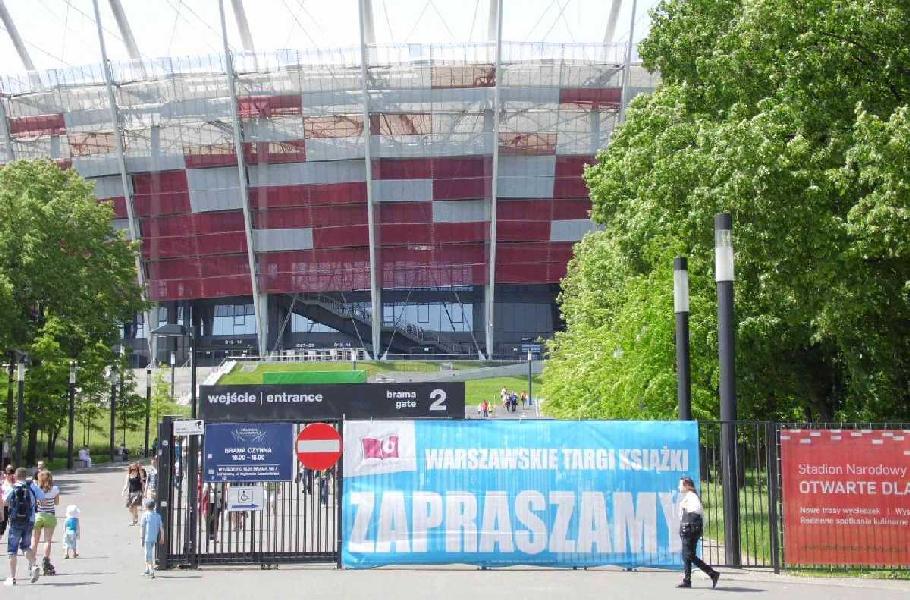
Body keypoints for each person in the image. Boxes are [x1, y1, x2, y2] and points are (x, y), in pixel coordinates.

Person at [4, 467, 45, 586]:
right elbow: (42, 497)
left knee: (12, 550)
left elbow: (5, 501)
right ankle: (34, 565)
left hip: (16, 521)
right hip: (29, 520)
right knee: (26, 546)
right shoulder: (31, 486)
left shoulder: (14, 487)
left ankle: (12, 578)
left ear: (15, 476)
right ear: (26, 476)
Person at [677, 476, 719, 589]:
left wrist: (689, 525)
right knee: (686, 556)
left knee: (689, 555)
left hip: (690, 530)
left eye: (681, 484)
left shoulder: (692, 497)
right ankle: (687, 580)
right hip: (688, 529)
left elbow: (695, 514)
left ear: (686, 485)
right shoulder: (690, 497)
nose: (679, 487)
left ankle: (712, 573)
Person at [32, 470, 60, 576]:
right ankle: (46, 560)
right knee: (47, 541)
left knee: (35, 540)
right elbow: (57, 503)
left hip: (38, 515)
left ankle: (32, 562)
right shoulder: (55, 489)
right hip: (49, 515)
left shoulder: (36, 489)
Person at [138, 499, 163, 578]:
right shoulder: (157, 515)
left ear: (146, 506)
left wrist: (141, 537)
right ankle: (147, 569)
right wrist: (162, 537)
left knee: (147, 554)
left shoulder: (145, 515)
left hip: (147, 537)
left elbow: (142, 527)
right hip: (154, 537)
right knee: (149, 551)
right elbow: (161, 527)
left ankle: (151, 570)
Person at [0, 466, 15, 537]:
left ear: (13, 474)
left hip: (13, 506)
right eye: (7, 473)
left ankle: (12, 538)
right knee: (3, 524)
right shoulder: (2, 482)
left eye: (10, 474)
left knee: (13, 523)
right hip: (4, 505)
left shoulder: (15, 483)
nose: (8, 475)